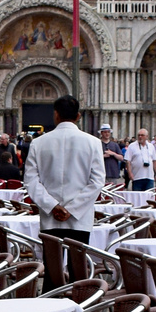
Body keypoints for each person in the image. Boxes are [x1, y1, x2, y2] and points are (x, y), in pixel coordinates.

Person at [23, 95, 105, 245]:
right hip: (80, 218)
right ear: (78, 116)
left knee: (52, 266)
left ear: (56, 114)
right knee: (78, 266)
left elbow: (31, 181)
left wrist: (52, 206)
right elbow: (97, 181)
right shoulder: (93, 143)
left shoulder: (38, 143)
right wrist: (73, 209)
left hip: (50, 218)